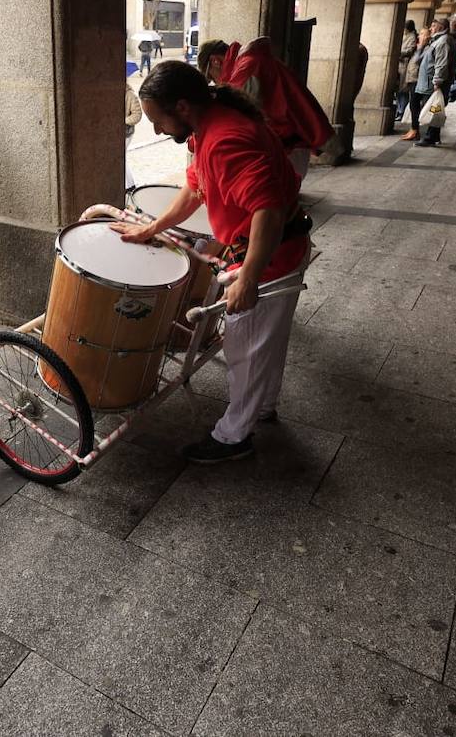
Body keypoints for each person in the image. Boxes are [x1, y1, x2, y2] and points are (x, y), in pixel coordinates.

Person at [118, 61, 309, 463]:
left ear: (183, 107)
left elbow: (269, 211)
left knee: (246, 351)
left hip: (269, 257)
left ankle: (233, 437)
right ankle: (263, 406)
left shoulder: (226, 139)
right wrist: (154, 227)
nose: (155, 130)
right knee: (264, 344)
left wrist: (249, 278)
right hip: (274, 250)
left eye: (158, 120)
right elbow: (194, 188)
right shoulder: (209, 126)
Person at [218, 36, 335, 176]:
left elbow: (232, 116)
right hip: (293, 151)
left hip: (286, 153)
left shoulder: (248, 68)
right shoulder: (258, 61)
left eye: (212, 77)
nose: (216, 82)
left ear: (215, 61)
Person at [412, 18, 454, 147]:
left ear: (441, 27)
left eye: (433, 26)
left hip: (431, 83)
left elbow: (441, 63)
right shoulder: (437, 41)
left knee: (432, 109)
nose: (431, 28)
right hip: (428, 82)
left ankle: (431, 136)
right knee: (434, 108)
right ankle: (433, 135)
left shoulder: (442, 42)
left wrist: (437, 81)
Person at [395, 20, 419, 124]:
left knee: (403, 91)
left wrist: (399, 53)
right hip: (401, 66)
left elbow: (409, 51)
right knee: (399, 91)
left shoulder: (412, 37)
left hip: (405, 66)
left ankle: (401, 111)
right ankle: (400, 110)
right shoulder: (407, 36)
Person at [124, 81, 143, 189]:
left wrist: (123, 121)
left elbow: (137, 115)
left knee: (121, 158)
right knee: (122, 158)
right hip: (117, 132)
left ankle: (130, 185)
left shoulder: (130, 95)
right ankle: (129, 185)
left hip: (126, 132)